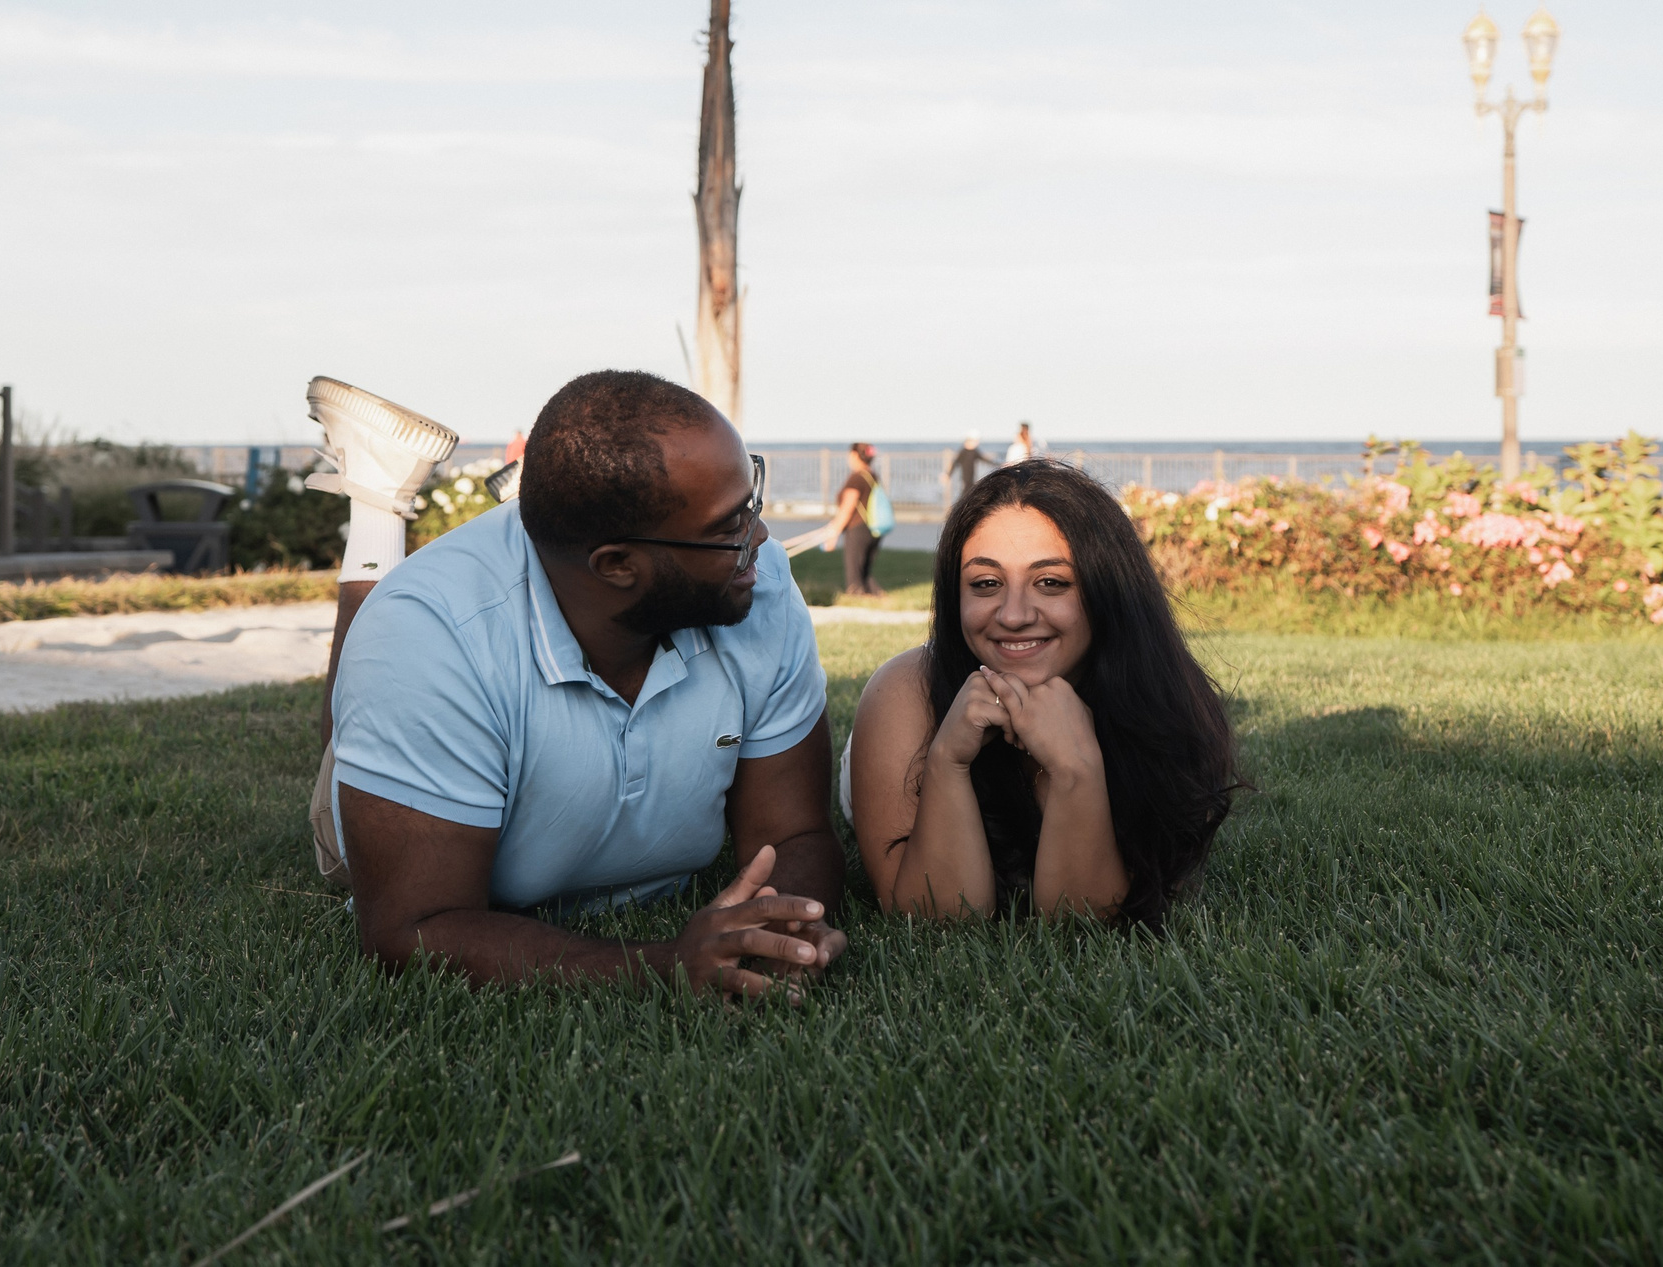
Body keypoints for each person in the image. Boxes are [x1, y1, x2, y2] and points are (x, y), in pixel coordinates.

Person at [304, 369, 847, 995]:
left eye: (747, 504)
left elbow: (795, 833)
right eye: (729, 529)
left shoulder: (761, 584)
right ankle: (377, 503)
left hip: (565, 587)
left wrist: (785, 929)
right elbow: (411, 929)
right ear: (617, 564)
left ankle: (547, 510)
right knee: (359, 719)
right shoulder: (428, 636)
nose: (761, 537)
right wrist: (662, 968)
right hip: (417, 670)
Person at [842, 458, 1239, 925]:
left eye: (1051, 583)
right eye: (986, 584)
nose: (1013, 615)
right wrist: (948, 761)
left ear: (1105, 590)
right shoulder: (905, 691)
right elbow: (939, 919)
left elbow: (1084, 922)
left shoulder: (1163, 700)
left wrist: (1074, 769)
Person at [818, 441, 889, 599]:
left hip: (858, 529)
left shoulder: (857, 478)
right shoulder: (872, 475)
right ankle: (878, 599)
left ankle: (857, 601)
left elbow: (847, 509)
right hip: (872, 528)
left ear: (855, 455)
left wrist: (833, 534)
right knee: (864, 571)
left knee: (855, 577)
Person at [944, 429, 998, 500]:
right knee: (966, 494)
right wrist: (948, 474)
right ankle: (959, 509)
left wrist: (998, 464)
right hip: (965, 478)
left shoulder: (974, 451)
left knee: (969, 493)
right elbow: (955, 463)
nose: (977, 443)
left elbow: (985, 460)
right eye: (975, 441)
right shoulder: (963, 452)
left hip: (971, 478)